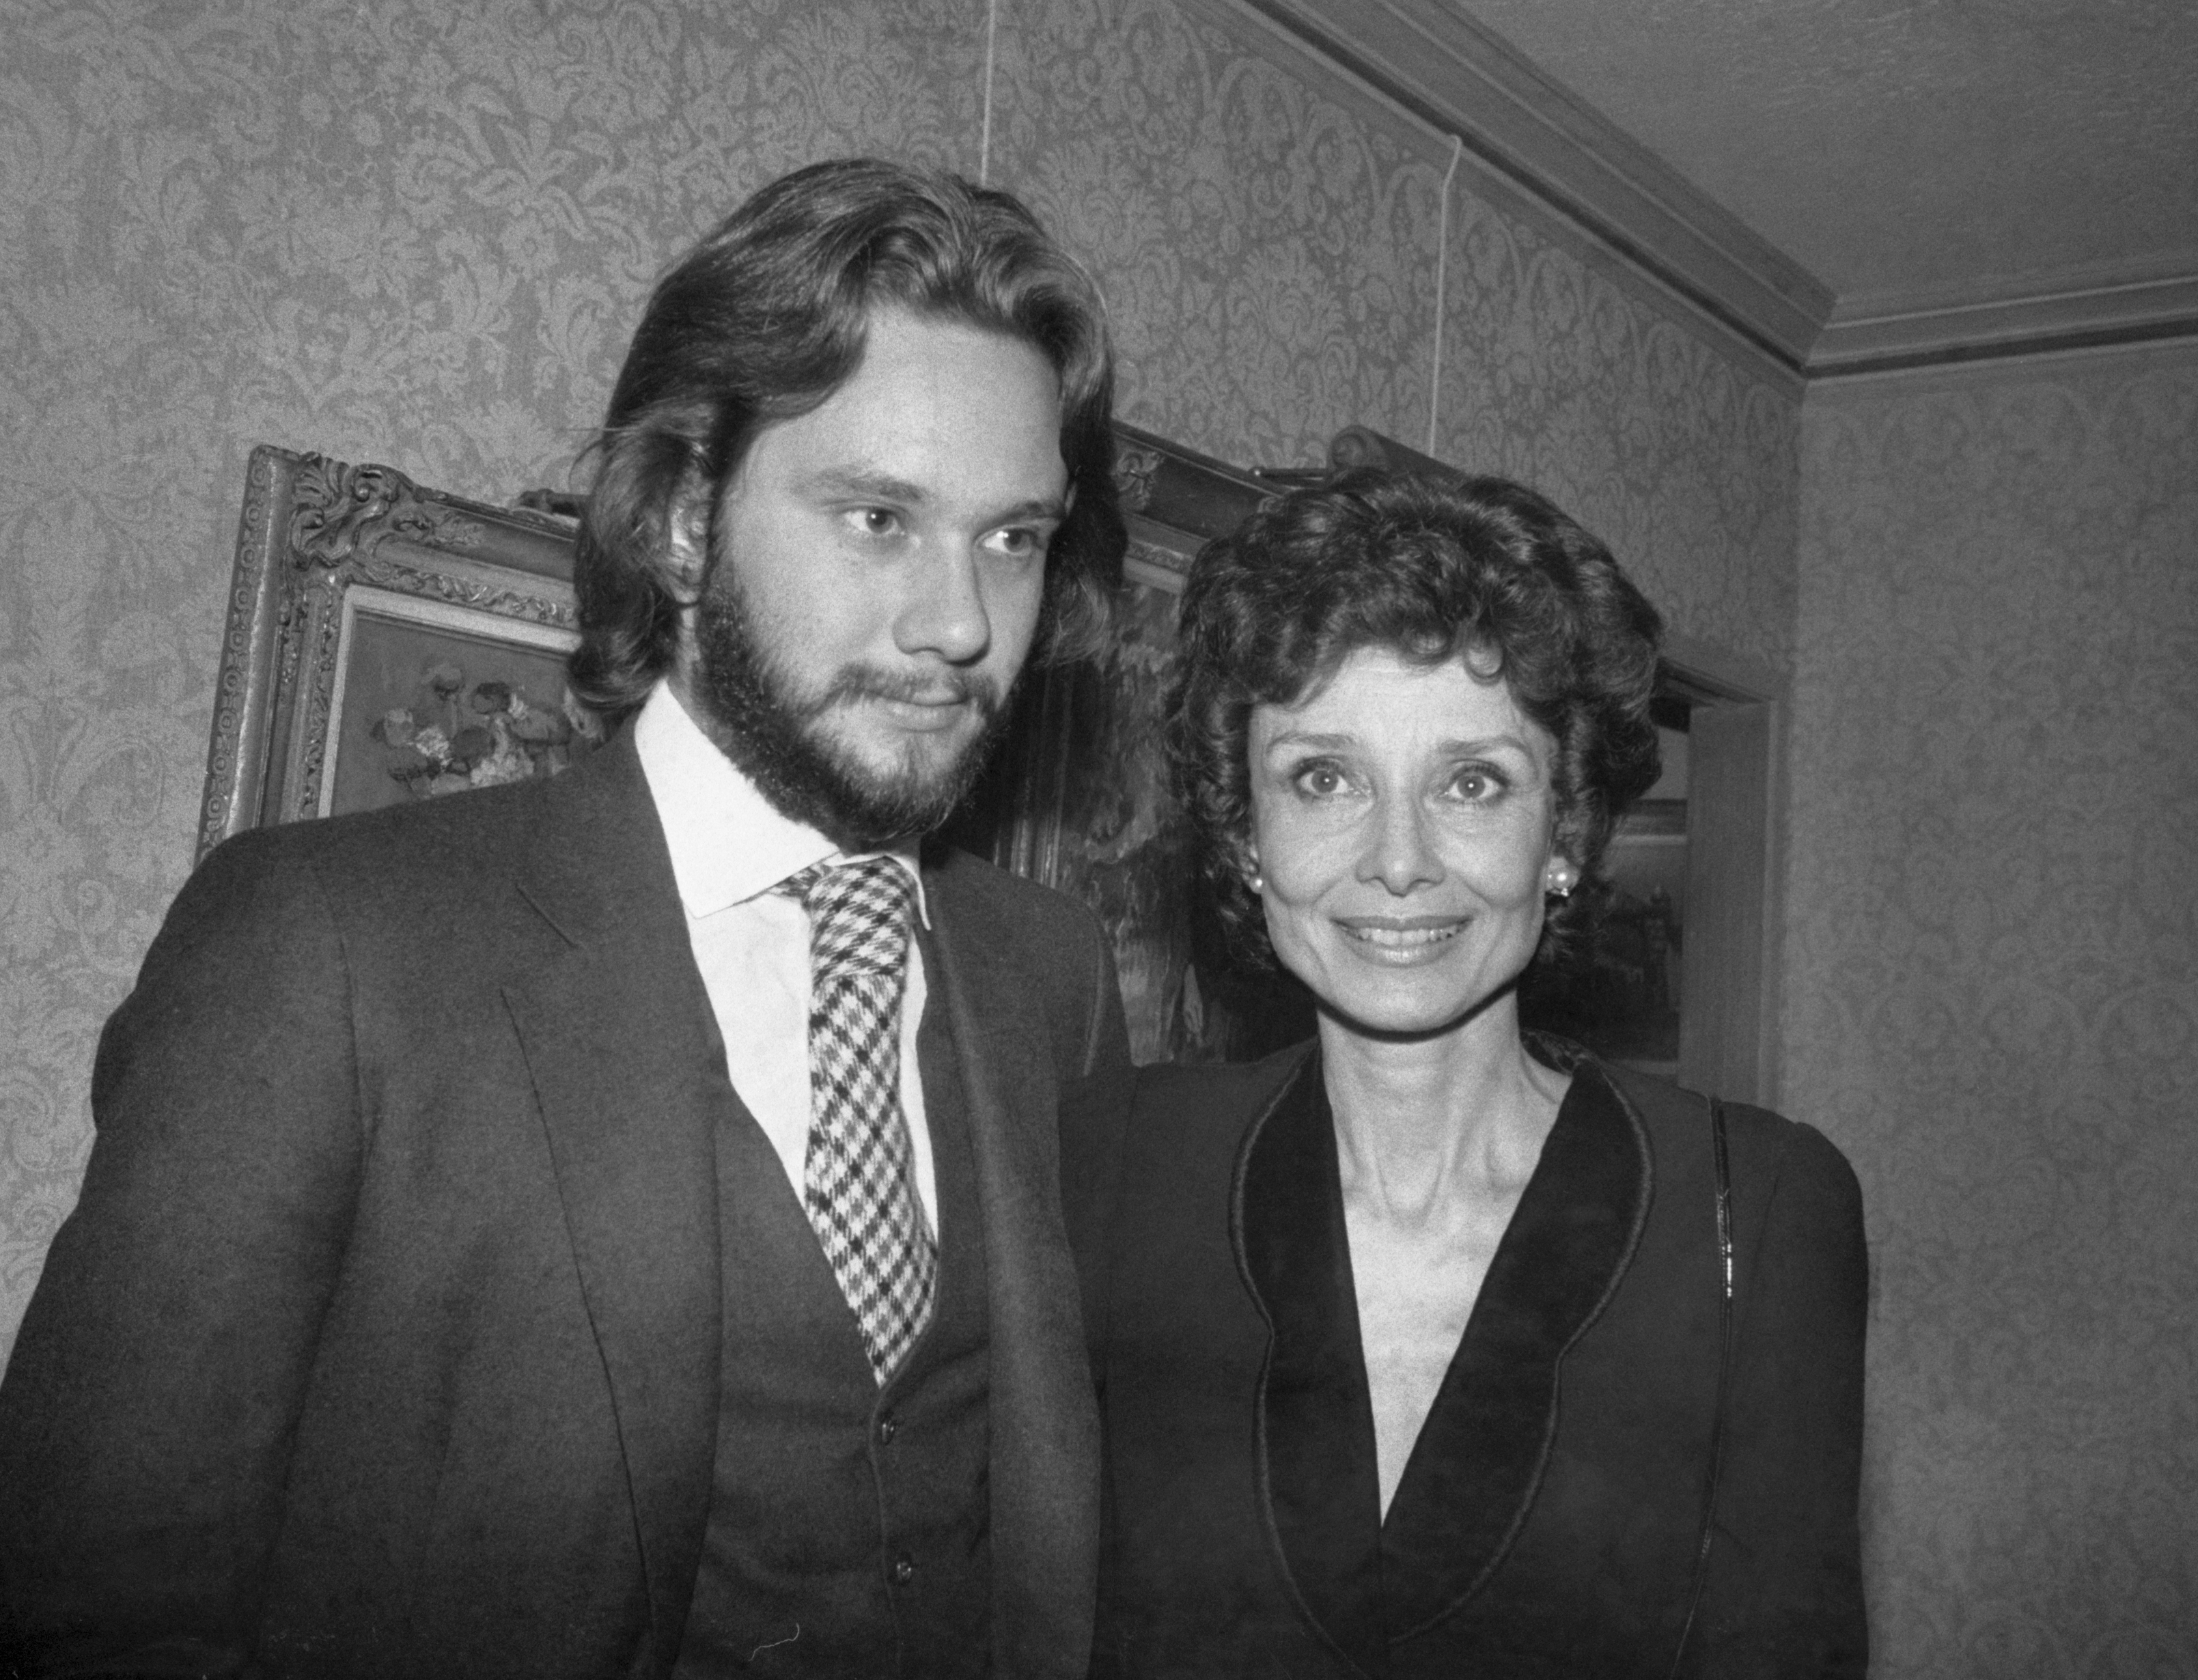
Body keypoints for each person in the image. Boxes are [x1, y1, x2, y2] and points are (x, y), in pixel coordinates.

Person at [0, 158, 1132, 1679]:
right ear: (675, 522)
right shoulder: (323, 950)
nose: (962, 623)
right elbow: (92, 1614)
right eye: (878, 518)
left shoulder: (1050, 982)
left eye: (1014, 537)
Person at [1066, 471, 1867, 1676]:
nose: (1398, 862)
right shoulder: (1112, 1169)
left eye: (1473, 782)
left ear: (1568, 832)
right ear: (1242, 833)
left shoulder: (1757, 1210)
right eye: (1323, 779)